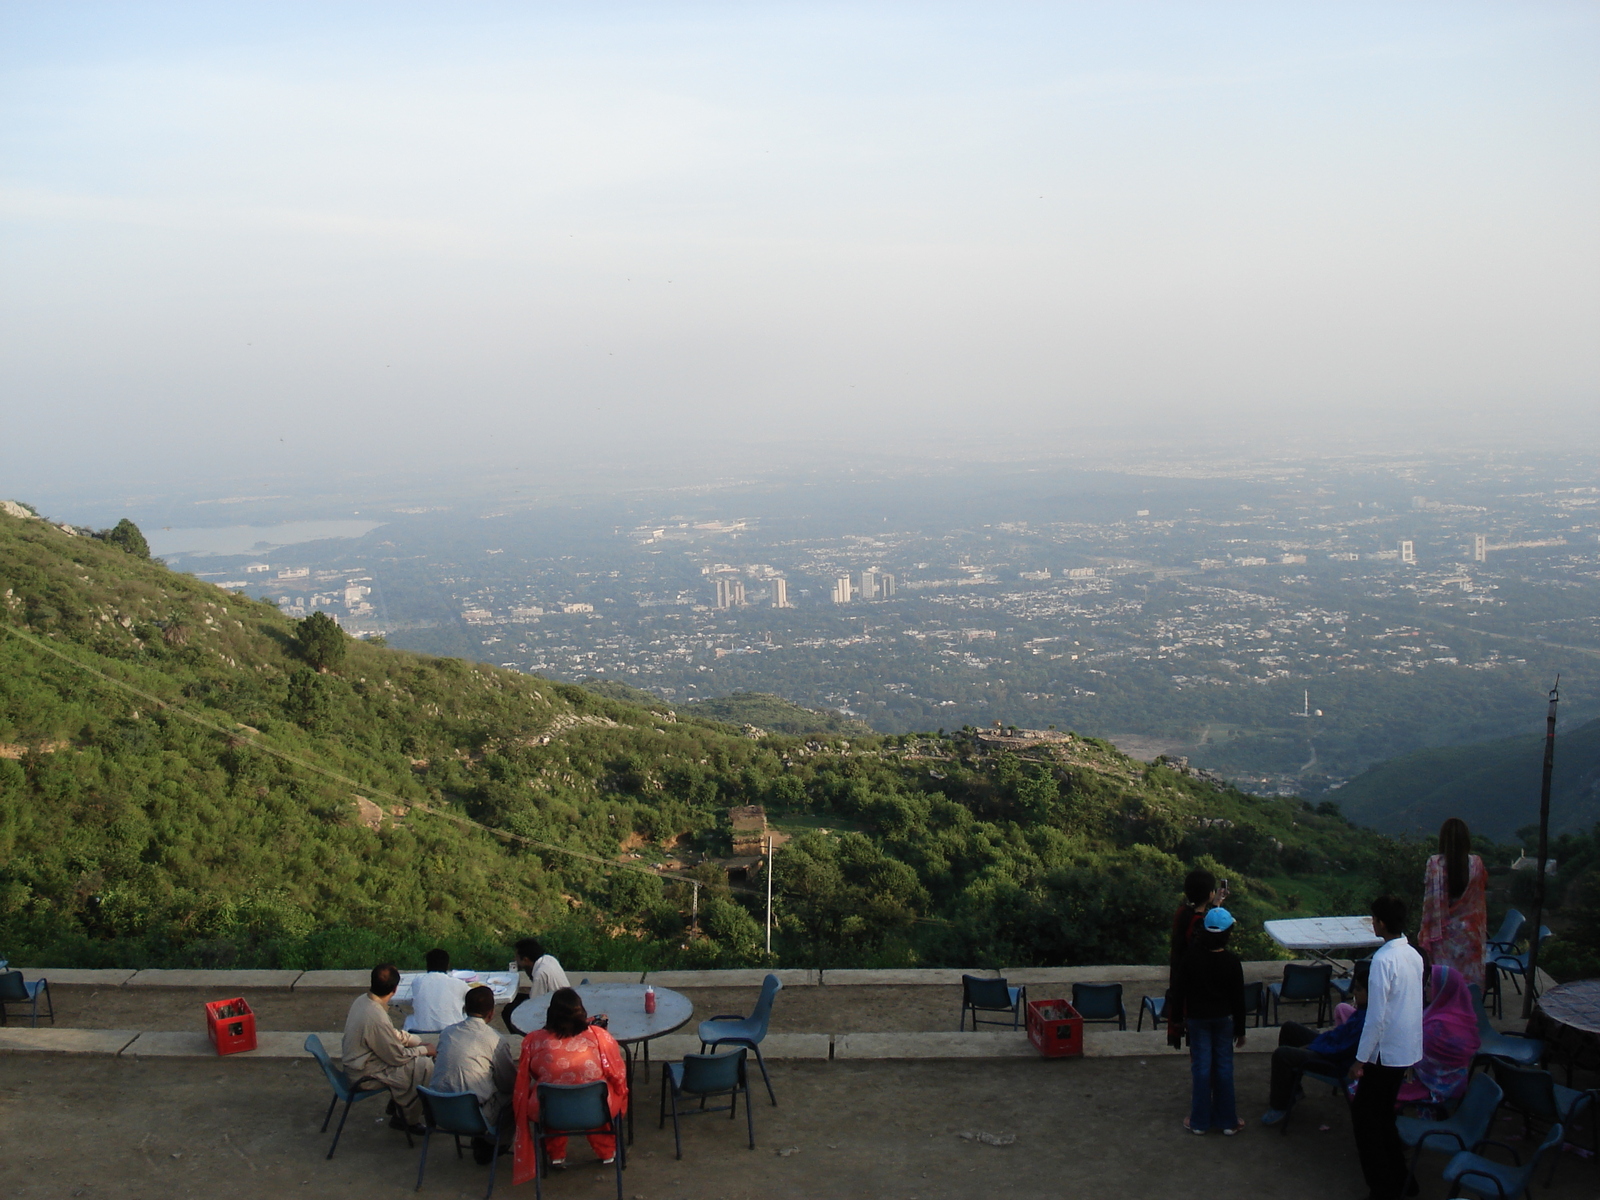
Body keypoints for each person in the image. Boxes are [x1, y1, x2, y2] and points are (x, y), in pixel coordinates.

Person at [510, 987, 628, 1184]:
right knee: (605, 1093)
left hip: (552, 1112)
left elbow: (529, 1075)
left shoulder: (533, 1040)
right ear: (581, 1012)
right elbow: (618, 1074)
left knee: (549, 1096)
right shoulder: (600, 1037)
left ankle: (556, 1155)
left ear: (550, 1013)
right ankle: (607, 1151)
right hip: (597, 1110)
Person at [1350, 895, 1424, 1200]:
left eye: (1374, 919)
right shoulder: (1414, 955)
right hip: (1404, 1048)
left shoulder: (1383, 960)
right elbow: (1413, 1005)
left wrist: (1359, 1060)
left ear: (1380, 923)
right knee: (1383, 1117)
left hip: (1385, 1052)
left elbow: (1376, 1017)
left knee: (1366, 1121)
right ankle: (1403, 1181)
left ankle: (1382, 1188)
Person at [1260, 960, 1370, 1125]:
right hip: (1329, 1048)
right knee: (1290, 1028)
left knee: (1282, 1055)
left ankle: (1279, 1106)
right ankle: (1293, 1090)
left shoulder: (1369, 1020)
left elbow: (1341, 1049)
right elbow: (1338, 1036)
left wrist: (1313, 1046)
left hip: (1335, 1063)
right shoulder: (1362, 1010)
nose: (1354, 991)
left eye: (1359, 989)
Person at [1171, 906, 1247, 1135]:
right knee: (1224, 1067)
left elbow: (1178, 990)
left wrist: (1176, 1019)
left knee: (1201, 1068)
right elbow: (1238, 999)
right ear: (1228, 932)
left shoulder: (1191, 958)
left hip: (1197, 1020)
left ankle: (1199, 1121)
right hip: (1224, 1020)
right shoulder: (1232, 962)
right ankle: (1228, 1121)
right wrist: (1240, 1030)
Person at [341, 963, 437, 1135]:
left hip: (359, 1064)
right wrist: (424, 1050)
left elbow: (390, 1035)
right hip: (362, 1075)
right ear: (394, 989)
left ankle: (400, 1103)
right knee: (424, 1066)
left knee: (418, 1057)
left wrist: (415, 1041)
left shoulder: (363, 1000)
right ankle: (406, 1119)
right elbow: (397, 1057)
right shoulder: (375, 1016)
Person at [434, 985, 518, 1163]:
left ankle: (483, 1140)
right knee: (516, 1095)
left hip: (439, 1110)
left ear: (464, 1009)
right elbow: (509, 1083)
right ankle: (495, 1143)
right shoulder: (495, 1040)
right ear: (491, 1013)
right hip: (474, 1115)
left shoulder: (447, 1033)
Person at [1396, 965, 1480, 1113]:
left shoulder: (1438, 1026)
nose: (1425, 989)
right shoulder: (1460, 1016)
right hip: (1457, 1082)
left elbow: (1417, 1060)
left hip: (1437, 1085)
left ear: (1443, 989)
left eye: (1429, 985)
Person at [1419, 818, 1488, 991]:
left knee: (1445, 991)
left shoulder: (1435, 864)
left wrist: (1424, 932)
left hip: (1443, 940)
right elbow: (1478, 899)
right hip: (1470, 938)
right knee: (1467, 991)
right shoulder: (1476, 864)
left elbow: (1429, 906)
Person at [503, 938, 570, 1036]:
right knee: (515, 999)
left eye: (517, 957)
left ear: (525, 959)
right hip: (559, 997)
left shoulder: (540, 973)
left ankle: (527, 1036)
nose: (515, 959)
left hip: (556, 1008)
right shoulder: (548, 958)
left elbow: (534, 1003)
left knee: (508, 1011)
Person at [406, 947, 471, 1033]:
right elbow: (472, 997)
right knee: (467, 1017)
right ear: (448, 965)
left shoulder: (417, 981)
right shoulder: (459, 984)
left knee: (409, 1019)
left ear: (427, 965)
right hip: (452, 1033)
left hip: (420, 1034)